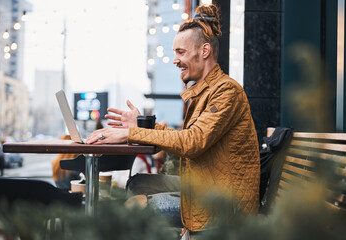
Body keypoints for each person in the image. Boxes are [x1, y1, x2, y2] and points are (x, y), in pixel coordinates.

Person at [86, 3, 260, 236]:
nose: (175, 60)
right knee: (137, 183)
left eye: (181, 52)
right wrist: (139, 125)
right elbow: (186, 138)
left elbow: (192, 142)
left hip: (224, 203)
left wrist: (131, 133)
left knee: (135, 206)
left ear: (204, 51)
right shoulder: (206, 91)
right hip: (205, 183)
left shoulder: (227, 91)